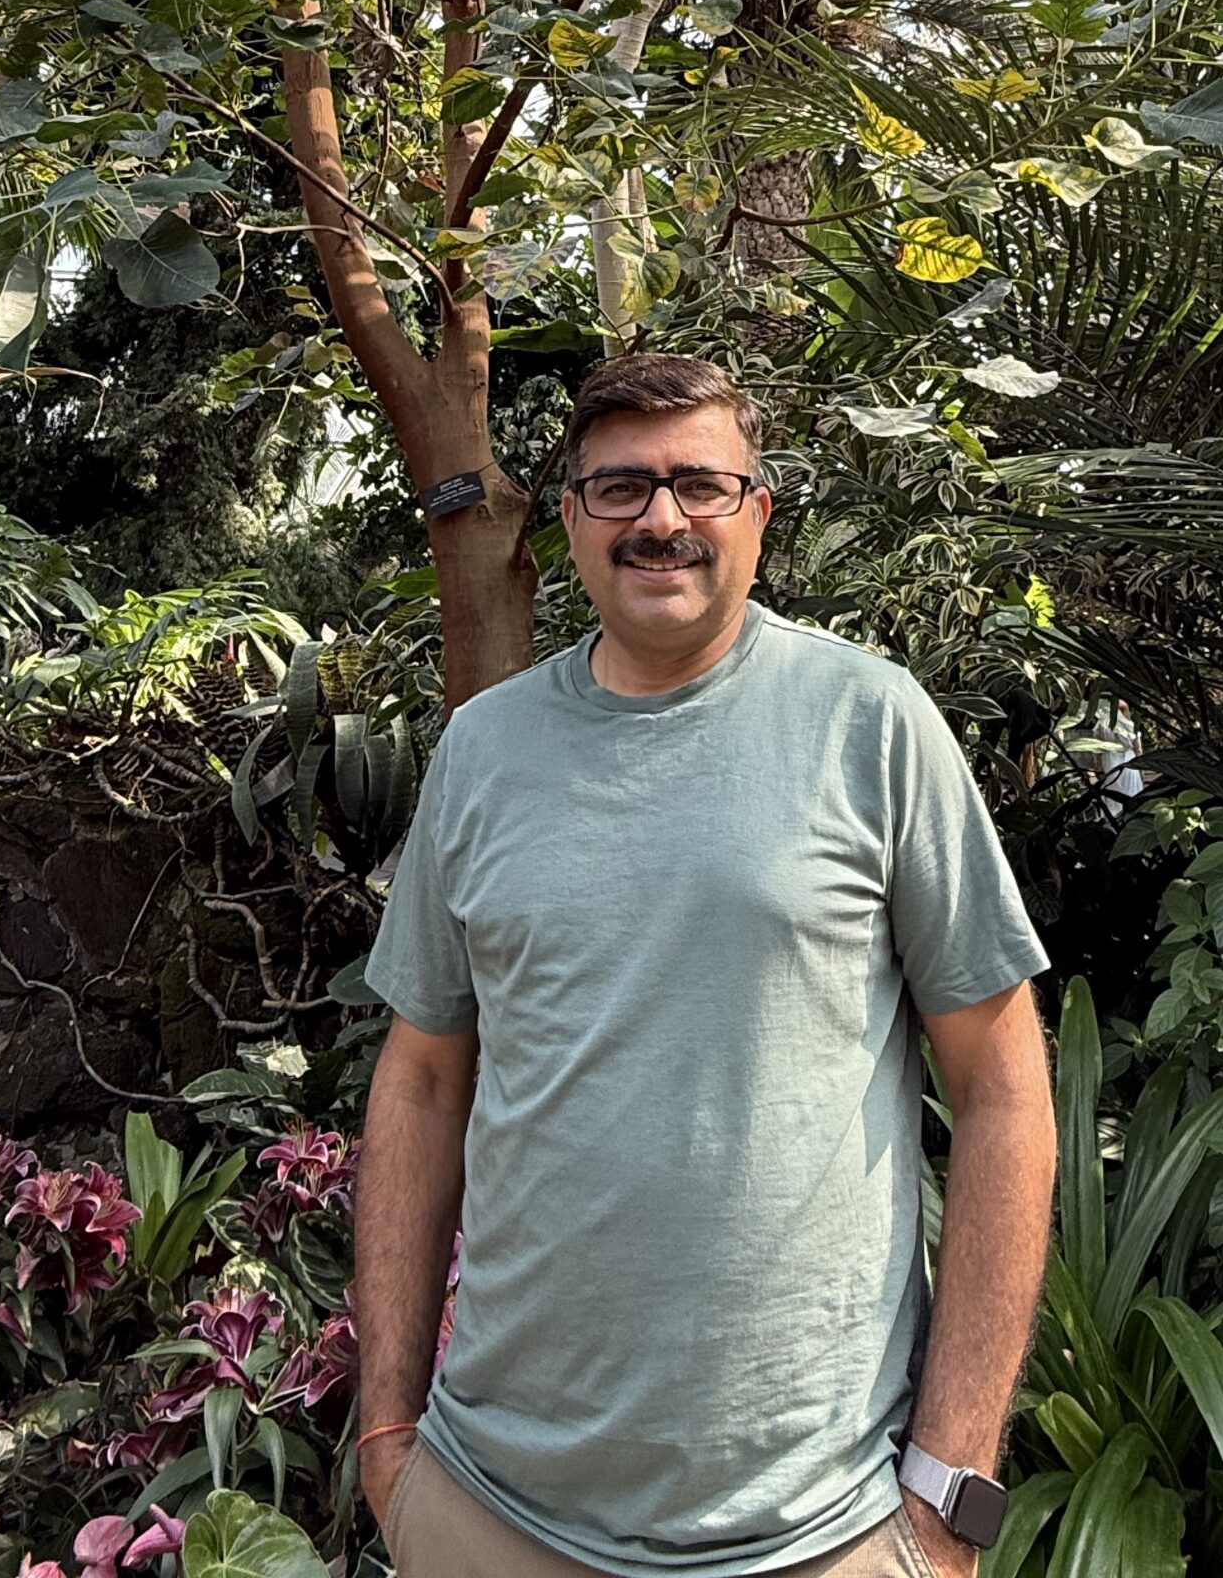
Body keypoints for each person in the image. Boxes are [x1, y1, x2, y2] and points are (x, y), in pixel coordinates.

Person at [352, 353, 1055, 1578]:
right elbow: (418, 1082)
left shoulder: (872, 724)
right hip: (490, 1509)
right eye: (619, 487)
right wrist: (386, 1437)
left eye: (699, 484)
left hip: (822, 1527)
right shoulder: (482, 751)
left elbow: (1003, 1090)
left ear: (758, 513)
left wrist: (951, 1483)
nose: (661, 518)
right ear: (568, 516)